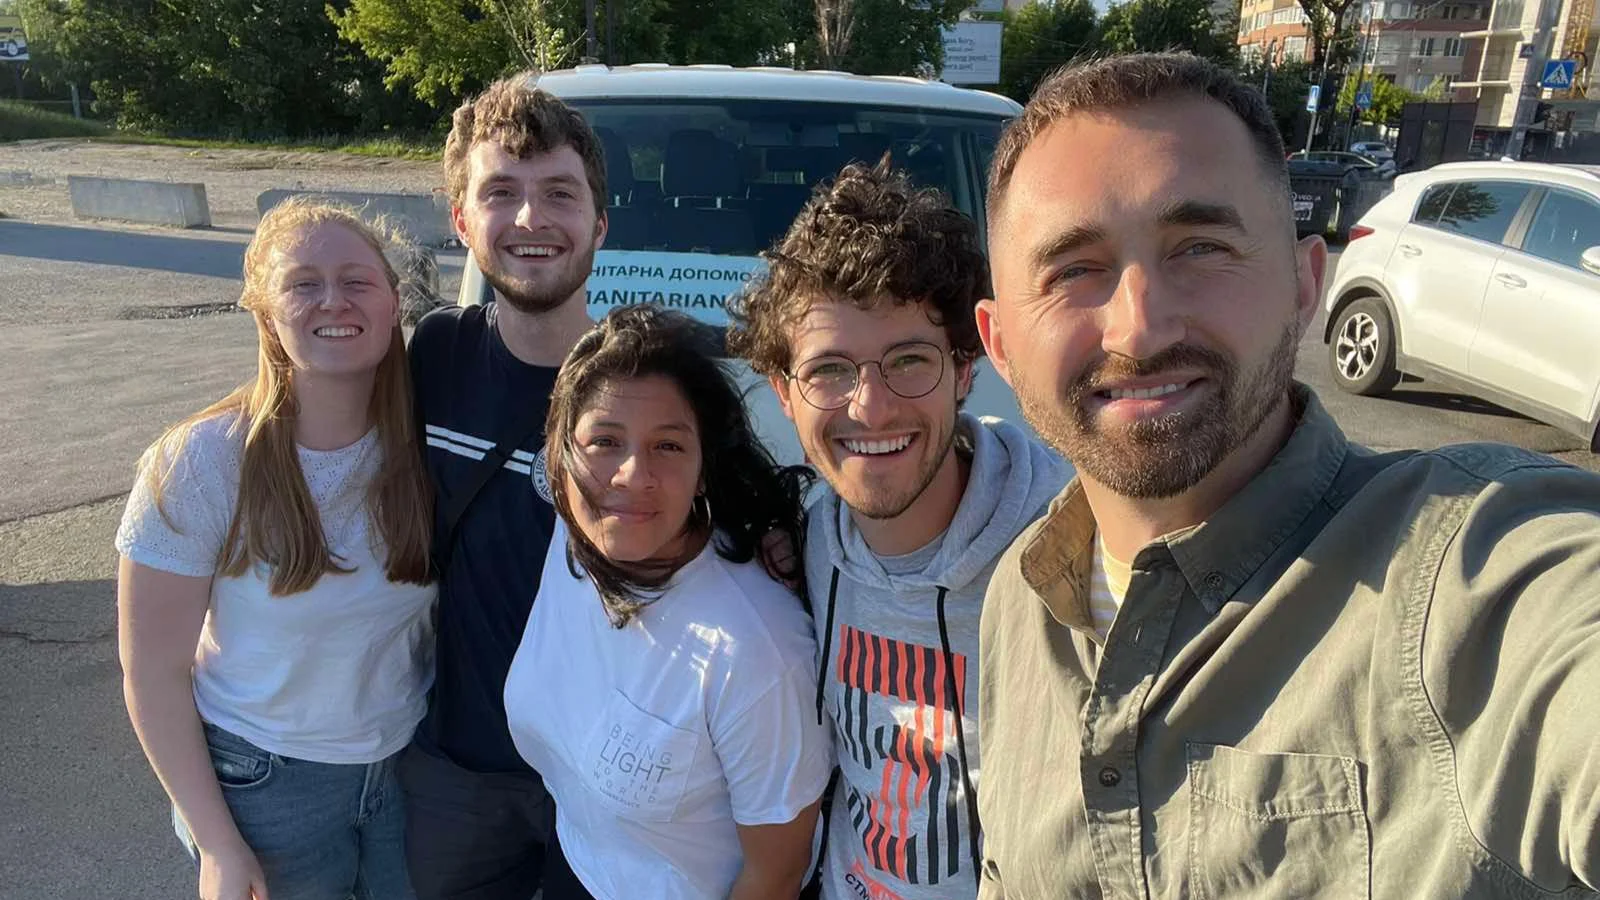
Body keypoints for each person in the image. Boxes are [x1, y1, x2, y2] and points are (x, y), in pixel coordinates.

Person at [973, 52, 1600, 898]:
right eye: (1072, 270)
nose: (1141, 327)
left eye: (1199, 246)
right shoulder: (1020, 601)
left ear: (1308, 285)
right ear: (1001, 344)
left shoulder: (1475, 577)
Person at [728, 158, 1069, 900]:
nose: (871, 408)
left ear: (965, 368)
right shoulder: (804, 542)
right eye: (830, 371)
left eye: (909, 360)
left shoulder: (1071, 546)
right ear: (785, 393)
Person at [114, 197, 434, 900]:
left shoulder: (429, 444)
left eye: (356, 280)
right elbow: (153, 672)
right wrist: (218, 846)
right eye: (302, 283)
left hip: (406, 770)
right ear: (265, 313)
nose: (333, 299)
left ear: (392, 304)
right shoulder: (199, 463)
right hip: (264, 788)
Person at [503, 304, 833, 899]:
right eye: (604, 440)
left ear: (704, 469)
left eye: (669, 447)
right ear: (561, 458)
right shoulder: (577, 534)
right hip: (576, 868)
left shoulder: (756, 652)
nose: (631, 474)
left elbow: (777, 873)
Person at [401, 74, 607, 898]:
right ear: (462, 221)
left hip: (611, 777)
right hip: (459, 774)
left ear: (600, 220)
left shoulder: (654, 378)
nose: (531, 219)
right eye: (501, 192)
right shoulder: (434, 356)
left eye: (560, 192)